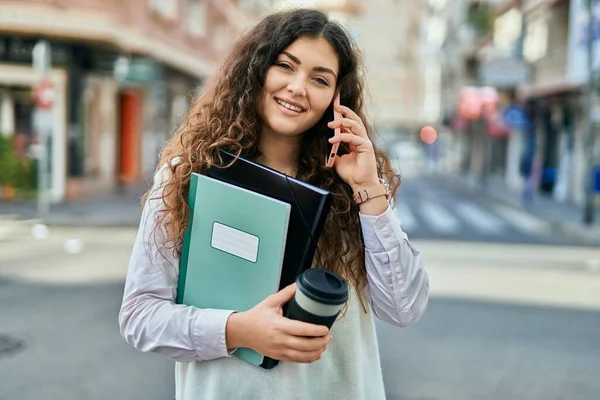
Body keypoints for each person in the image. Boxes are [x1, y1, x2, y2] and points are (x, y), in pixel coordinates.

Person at [118, 8, 429, 400]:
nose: (298, 87)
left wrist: (369, 189)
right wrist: (238, 331)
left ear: (337, 99)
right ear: (256, 70)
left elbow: (403, 308)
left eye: (320, 79)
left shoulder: (354, 187)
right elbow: (140, 316)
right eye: (286, 66)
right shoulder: (188, 174)